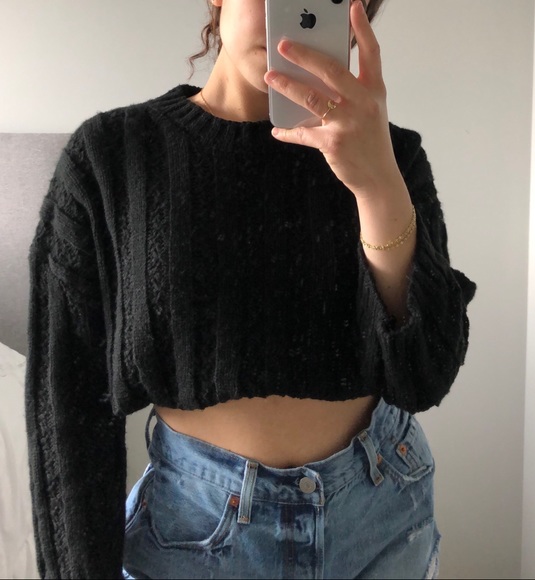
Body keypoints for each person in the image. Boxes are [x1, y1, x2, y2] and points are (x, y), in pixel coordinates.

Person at [24, 0, 477, 578]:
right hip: (193, 539)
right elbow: (67, 401)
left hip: (381, 521)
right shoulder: (112, 158)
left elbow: (426, 375)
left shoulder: (392, 156)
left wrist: (378, 188)